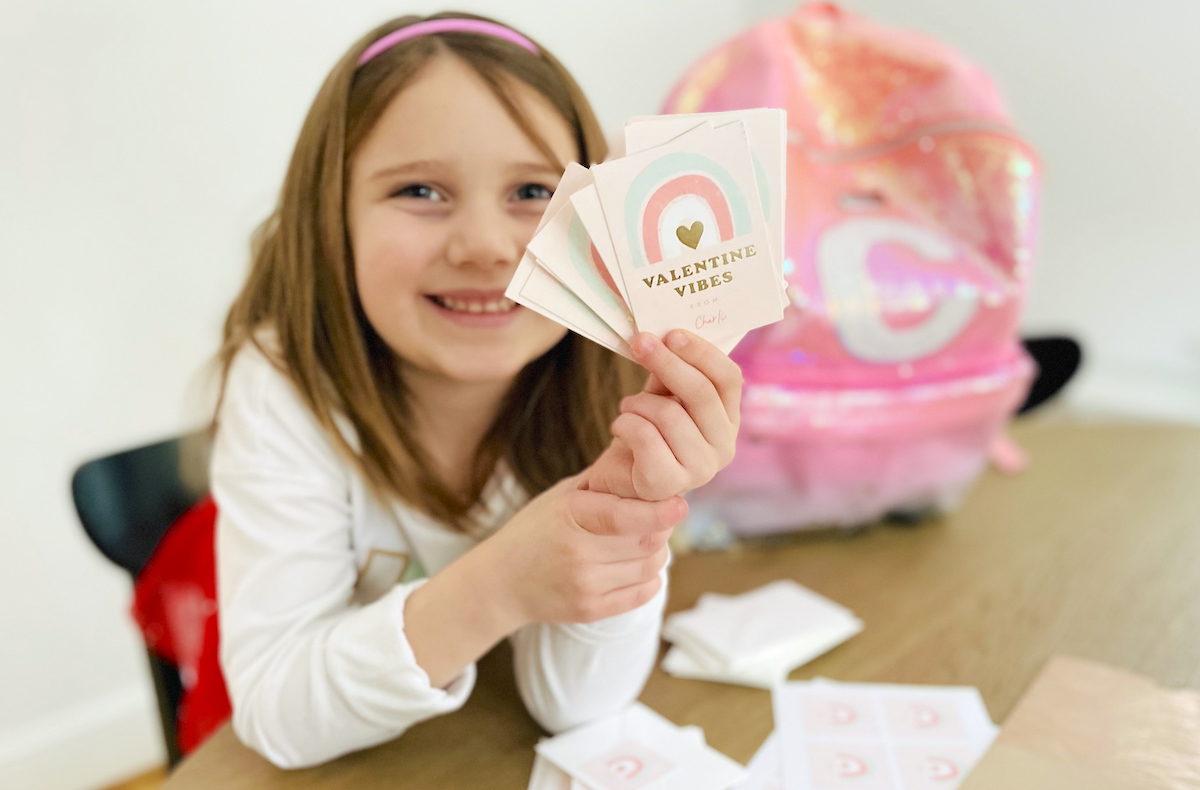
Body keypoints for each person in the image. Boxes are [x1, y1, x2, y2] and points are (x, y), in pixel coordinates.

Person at [210, 12, 743, 769]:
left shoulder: (616, 369)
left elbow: (577, 705)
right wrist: (497, 587)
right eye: (421, 190)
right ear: (331, 220)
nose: (485, 247)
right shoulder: (284, 389)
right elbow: (278, 712)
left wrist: (628, 515)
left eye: (531, 189)